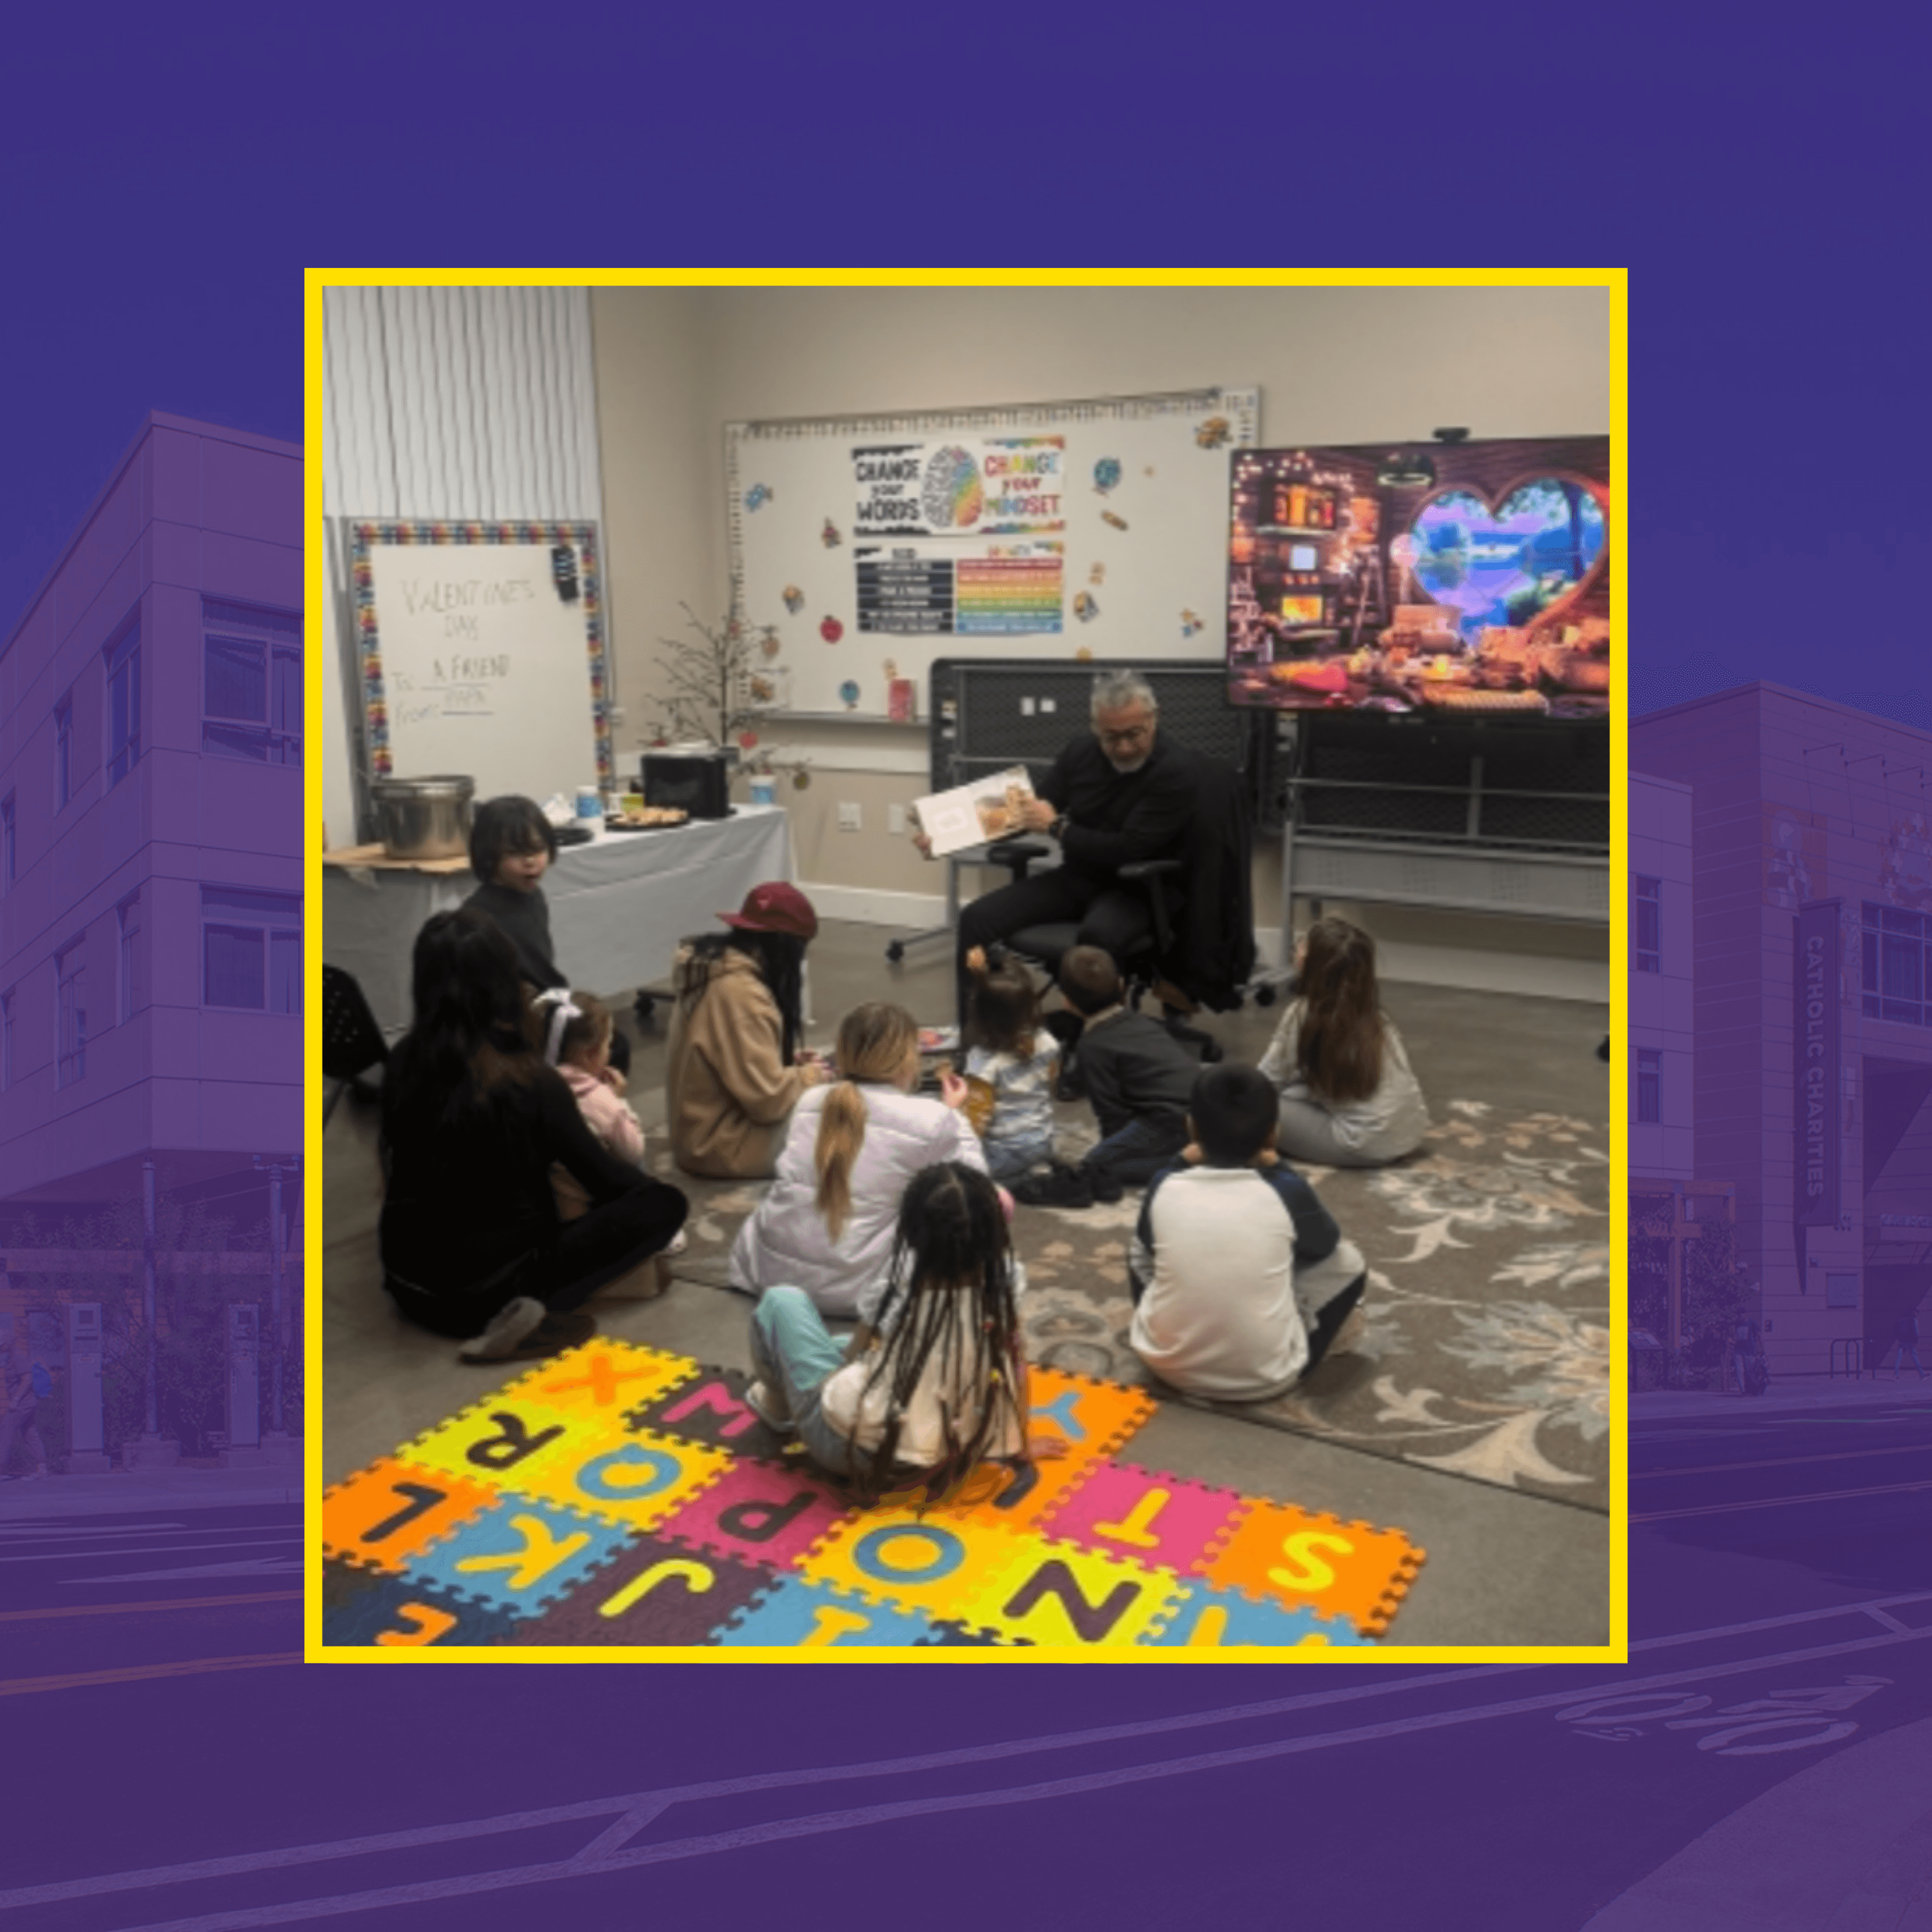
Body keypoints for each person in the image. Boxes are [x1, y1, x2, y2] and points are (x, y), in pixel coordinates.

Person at [379, 909, 688, 1362]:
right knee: (666, 1203)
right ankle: (518, 1319)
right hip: (492, 1292)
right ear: (506, 983)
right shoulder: (530, 1080)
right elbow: (612, 1182)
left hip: (407, 1285)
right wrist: (615, 1109)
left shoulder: (402, 1061)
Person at [744, 1162, 1063, 1502]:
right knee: (840, 1346)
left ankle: (777, 1409)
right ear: (995, 1233)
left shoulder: (895, 1292)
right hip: (944, 1454)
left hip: (851, 1451)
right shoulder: (1005, 1286)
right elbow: (1015, 1363)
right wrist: (1018, 1444)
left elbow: (854, 1359)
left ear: (910, 1232)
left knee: (783, 1302)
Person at [926, 669, 1194, 1030]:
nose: (1124, 748)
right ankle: (980, 1035)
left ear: (1153, 720)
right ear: (1096, 727)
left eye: (1135, 735)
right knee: (976, 919)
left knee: (1095, 943)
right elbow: (1028, 808)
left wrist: (1057, 828)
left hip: (1137, 890)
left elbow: (1130, 848)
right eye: (1111, 737)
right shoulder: (1080, 752)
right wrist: (945, 832)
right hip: (1078, 878)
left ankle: (1100, 1046)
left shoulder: (1175, 769)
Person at [731, 1001, 990, 1319]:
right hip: (865, 1290)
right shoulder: (932, 1119)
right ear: (909, 1059)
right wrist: (956, 1117)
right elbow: (976, 1187)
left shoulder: (810, 1100)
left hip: (777, 1277)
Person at [1129, 1062, 1367, 1401]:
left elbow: (1150, 1246)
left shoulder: (1164, 1182)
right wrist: (1279, 1167)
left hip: (1164, 1366)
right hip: (1269, 1379)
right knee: (1349, 1260)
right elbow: (1324, 1247)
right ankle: (1312, 1337)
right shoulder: (1288, 1189)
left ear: (1190, 1128)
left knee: (1140, 1246)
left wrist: (1178, 1162)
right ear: (1274, 1135)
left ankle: (1160, 1328)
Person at [1014, 945, 1198, 1207]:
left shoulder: (1093, 1046)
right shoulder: (1139, 1021)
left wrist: (1114, 1149)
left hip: (1165, 1120)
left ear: (1066, 1000)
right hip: (1203, 1109)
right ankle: (1197, 1146)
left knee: (1096, 1164)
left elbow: (1110, 1112)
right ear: (1122, 985)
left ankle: (1181, 1164)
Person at [665, 881, 827, 1178]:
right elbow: (769, 1102)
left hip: (695, 1132)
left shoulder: (714, 968)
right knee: (846, 1117)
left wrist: (782, 1060)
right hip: (719, 1144)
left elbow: (731, 1062)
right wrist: (811, 1076)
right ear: (784, 947)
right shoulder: (741, 994)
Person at [461, 794, 630, 1077]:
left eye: (538, 849)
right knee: (613, 1048)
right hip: (511, 1033)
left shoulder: (532, 896)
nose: (531, 863)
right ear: (489, 857)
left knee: (611, 1040)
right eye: (516, 853)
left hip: (540, 1012)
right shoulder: (479, 918)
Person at [1259, 917, 1429, 1167]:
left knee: (1258, 1108)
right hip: (1409, 1134)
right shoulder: (1376, 1017)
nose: (1296, 951)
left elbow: (1264, 1081)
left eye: (1301, 947)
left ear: (1312, 966)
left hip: (1361, 1145)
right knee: (1294, 1092)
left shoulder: (1302, 1014)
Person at [962, 945, 1060, 1181]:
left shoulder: (983, 1062)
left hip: (1004, 1151)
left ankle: (1013, 1180)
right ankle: (1032, 1169)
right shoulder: (1048, 1042)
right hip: (1044, 1141)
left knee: (955, 1169)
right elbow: (1051, 1086)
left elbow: (976, 1122)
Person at [535, 988, 644, 1164]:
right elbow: (634, 1151)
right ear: (589, 1054)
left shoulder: (528, 1085)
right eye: (607, 1045)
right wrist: (617, 1101)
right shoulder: (599, 1101)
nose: (609, 1052)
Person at [0, 1342, 50, 1481]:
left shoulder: (16, 1357)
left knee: (5, 1429)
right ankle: (42, 1469)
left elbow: (27, 1379)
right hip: (26, 1403)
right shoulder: (11, 1358)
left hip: (22, 1404)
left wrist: (15, 1400)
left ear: (6, 1345)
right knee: (29, 1432)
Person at [1886, 1308, 1926, 1379]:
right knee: (1915, 1358)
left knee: (1899, 1358)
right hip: (1910, 1342)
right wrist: (1916, 1341)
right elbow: (1916, 1332)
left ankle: (1896, 1375)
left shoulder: (1902, 1319)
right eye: (1917, 1312)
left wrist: (1899, 1338)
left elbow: (1895, 1330)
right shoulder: (1913, 1319)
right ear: (1914, 1312)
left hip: (1902, 1341)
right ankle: (1922, 1375)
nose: (1917, 1314)